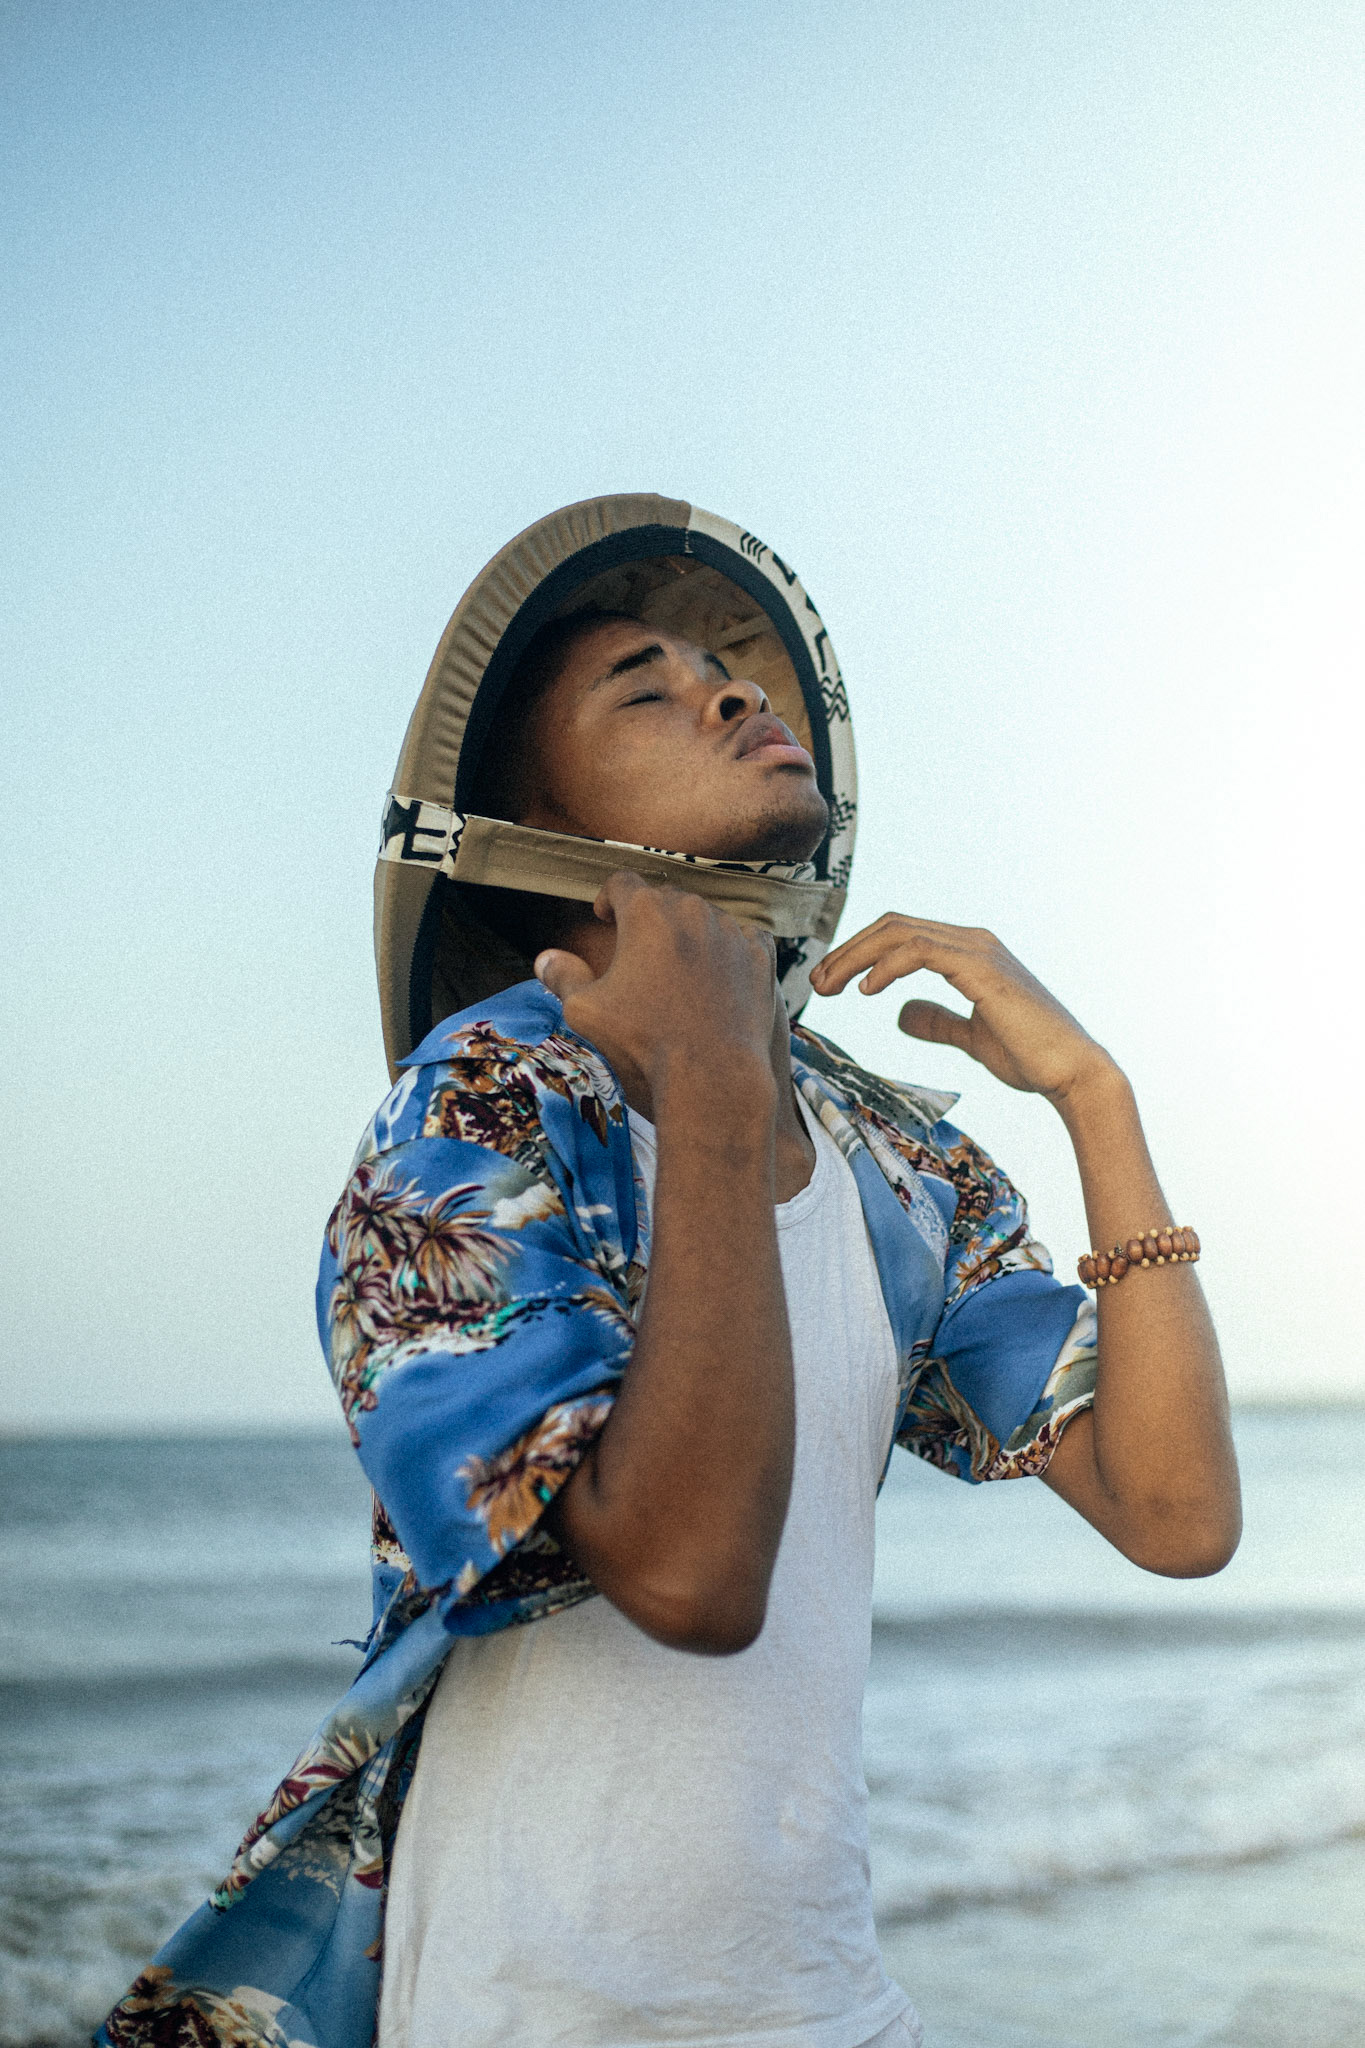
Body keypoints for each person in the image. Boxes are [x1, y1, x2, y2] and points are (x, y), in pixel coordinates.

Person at [99, 497, 1239, 2048]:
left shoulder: (891, 1158)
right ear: (540, 828)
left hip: (828, 2000)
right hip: (531, 2007)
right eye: (647, 689)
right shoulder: (476, 1111)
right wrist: (707, 1091)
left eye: (732, 672)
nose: (732, 693)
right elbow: (690, 1579)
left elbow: (1174, 1515)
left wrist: (1095, 1098)